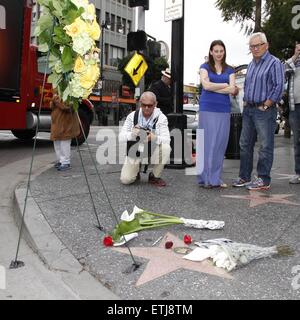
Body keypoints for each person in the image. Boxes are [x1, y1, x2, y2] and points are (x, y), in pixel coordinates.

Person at [232, 32, 285, 190]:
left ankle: (263, 179)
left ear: (266, 45)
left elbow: (279, 86)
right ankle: (244, 177)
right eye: (252, 46)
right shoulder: (252, 64)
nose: (255, 49)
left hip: (264, 110)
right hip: (249, 109)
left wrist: (267, 104)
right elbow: (248, 85)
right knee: (244, 144)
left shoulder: (274, 63)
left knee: (265, 145)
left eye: (257, 45)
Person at [197, 40, 238, 188]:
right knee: (207, 144)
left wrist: (216, 87)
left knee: (220, 144)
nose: (219, 54)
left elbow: (233, 90)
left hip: (223, 109)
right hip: (207, 108)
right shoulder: (204, 67)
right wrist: (225, 85)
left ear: (224, 52)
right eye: (216, 51)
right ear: (211, 52)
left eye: (221, 51)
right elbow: (205, 85)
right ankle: (205, 178)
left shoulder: (230, 70)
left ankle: (215, 178)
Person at [119, 91, 171, 187]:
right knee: (126, 180)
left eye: (150, 105)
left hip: (152, 150)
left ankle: (155, 176)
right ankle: (136, 171)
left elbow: (167, 140)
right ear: (140, 103)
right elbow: (121, 137)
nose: (146, 108)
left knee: (166, 148)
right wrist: (132, 134)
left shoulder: (161, 118)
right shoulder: (132, 116)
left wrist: (154, 137)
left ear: (155, 104)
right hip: (135, 151)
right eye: (144, 105)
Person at [50, 94, 80, 171]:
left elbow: (68, 106)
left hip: (66, 123)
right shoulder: (58, 92)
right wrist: (55, 100)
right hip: (57, 123)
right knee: (57, 142)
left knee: (64, 143)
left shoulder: (71, 93)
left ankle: (66, 162)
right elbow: (52, 105)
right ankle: (61, 160)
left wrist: (56, 99)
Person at [285, 42, 300, 184]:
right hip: (295, 107)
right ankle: (298, 172)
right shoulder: (293, 64)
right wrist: (295, 55)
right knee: (297, 142)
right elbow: (284, 69)